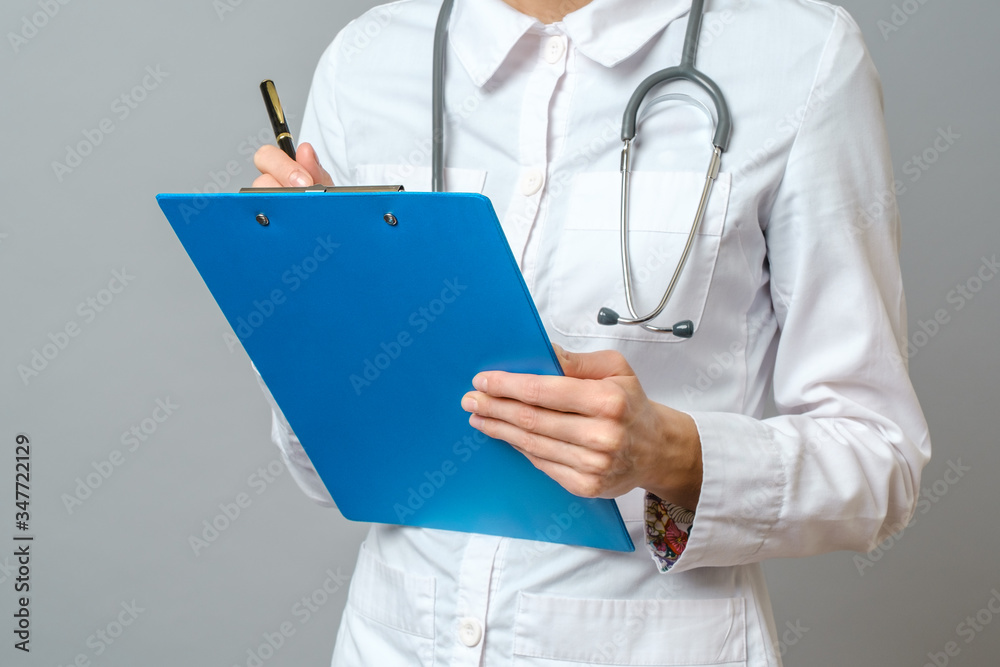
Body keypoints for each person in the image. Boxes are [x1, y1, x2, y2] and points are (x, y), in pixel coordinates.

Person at [252, 0, 931, 664]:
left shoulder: (799, 55)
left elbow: (880, 457)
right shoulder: (368, 58)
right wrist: (307, 311)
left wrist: (674, 454)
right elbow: (322, 467)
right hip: (390, 641)